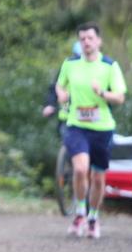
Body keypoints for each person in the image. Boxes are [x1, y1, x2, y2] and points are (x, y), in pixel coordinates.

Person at [55, 23, 126, 239]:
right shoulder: (70, 64)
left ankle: (93, 217)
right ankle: (79, 214)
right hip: (76, 125)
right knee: (80, 169)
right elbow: (60, 85)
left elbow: (120, 97)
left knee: (97, 177)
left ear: (99, 41)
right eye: (82, 39)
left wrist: (102, 92)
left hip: (102, 128)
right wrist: (61, 94)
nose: (86, 42)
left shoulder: (109, 66)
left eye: (90, 38)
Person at [41, 41, 82, 139]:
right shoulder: (67, 67)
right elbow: (55, 87)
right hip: (67, 118)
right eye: (77, 57)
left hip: (92, 121)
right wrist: (50, 104)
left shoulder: (99, 68)